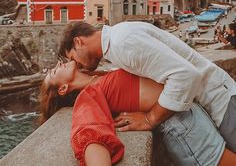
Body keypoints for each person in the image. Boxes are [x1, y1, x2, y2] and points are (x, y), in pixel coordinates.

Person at [58, 21, 236, 152]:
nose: (78, 66)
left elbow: (186, 75)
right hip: (219, 97)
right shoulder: (119, 37)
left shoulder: (123, 44)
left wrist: (150, 119)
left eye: (74, 59)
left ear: (78, 42)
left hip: (222, 102)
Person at [40, 60, 236, 166]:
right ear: (63, 89)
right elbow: (89, 131)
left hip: (183, 112)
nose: (58, 64)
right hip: (180, 125)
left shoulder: (98, 77)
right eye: (53, 72)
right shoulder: (88, 96)